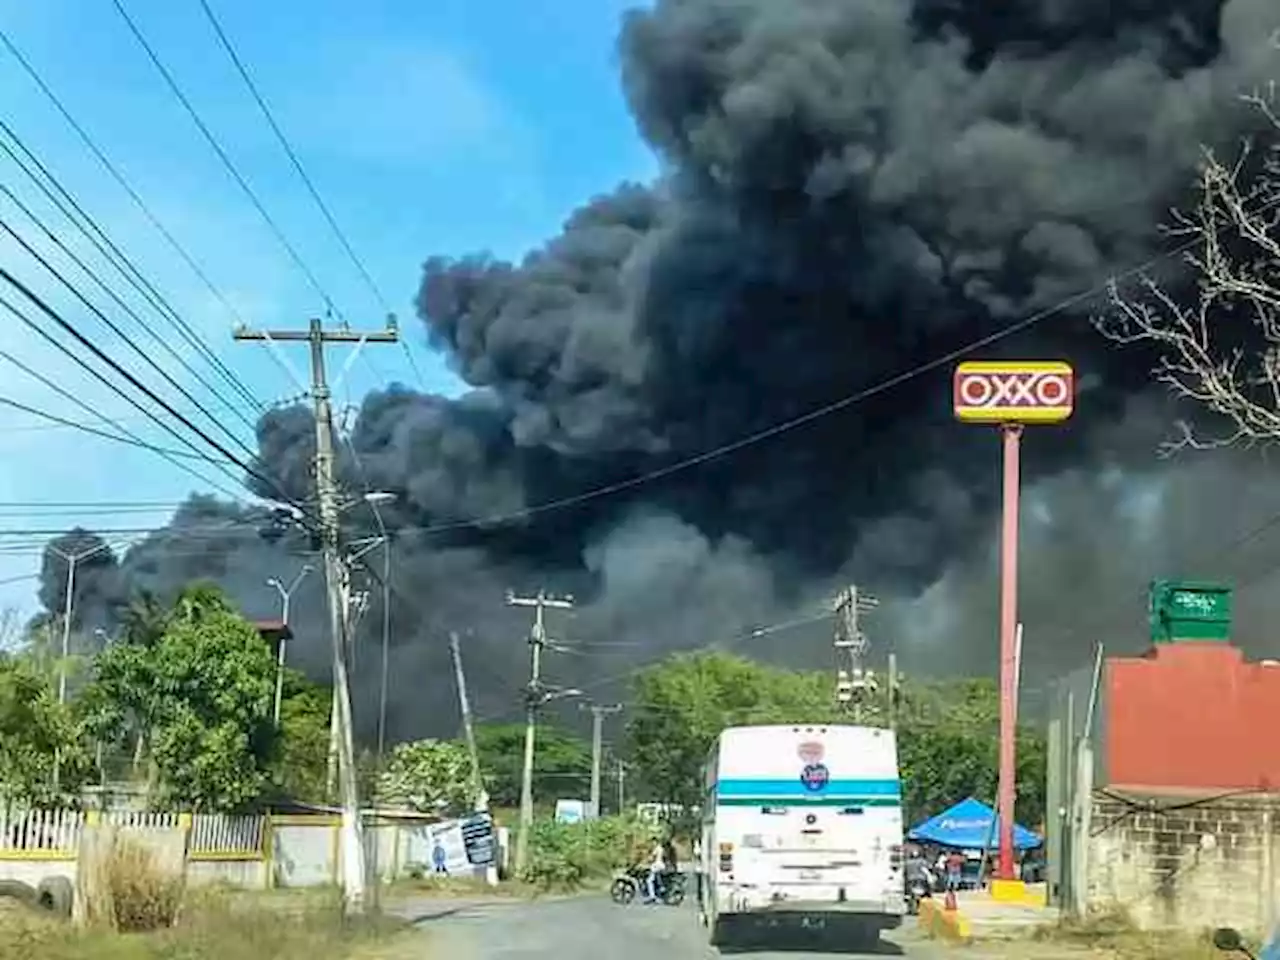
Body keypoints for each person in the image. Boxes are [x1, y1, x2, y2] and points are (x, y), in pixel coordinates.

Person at [643, 836, 666, 904]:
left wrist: (646, 861)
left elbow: (652, 858)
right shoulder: (660, 848)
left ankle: (652, 896)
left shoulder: (657, 849)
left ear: (656, 842)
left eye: (653, 842)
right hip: (659, 865)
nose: (652, 843)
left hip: (657, 866)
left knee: (649, 881)